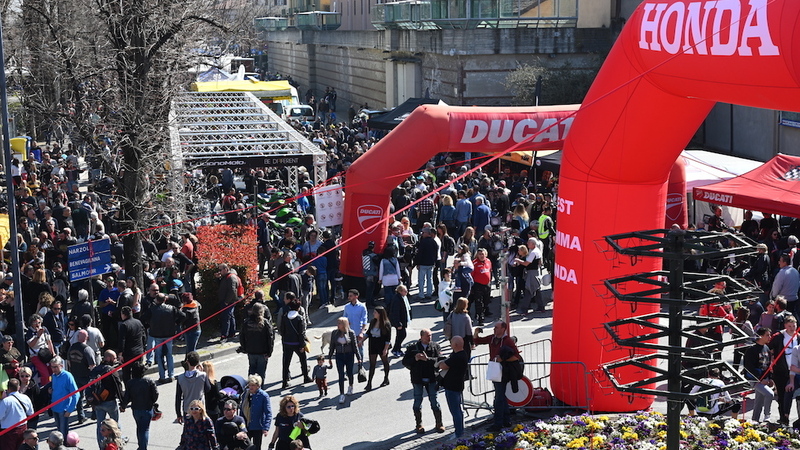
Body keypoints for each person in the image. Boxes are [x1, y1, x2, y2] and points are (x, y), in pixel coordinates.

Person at [473, 321, 520, 431]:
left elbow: (516, 356)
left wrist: (502, 359)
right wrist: (476, 332)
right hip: (495, 370)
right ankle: (506, 420)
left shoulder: (507, 340)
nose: (494, 329)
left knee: (499, 398)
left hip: (503, 372)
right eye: (494, 327)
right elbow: (477, 340)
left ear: (503, 329)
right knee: (501, 396)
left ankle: (498, 423)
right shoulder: (492, 338)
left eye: (496, 327)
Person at [402, 328, 445, 434]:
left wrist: (427, 359)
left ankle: (439, 423)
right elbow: (405, 362)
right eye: (427, 336)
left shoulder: (435, 346)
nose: (429, 338)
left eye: (430, 335)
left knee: (434, 401)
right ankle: (419, 424)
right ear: (421, 337)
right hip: (418, 378)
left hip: (432, 377)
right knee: (417, 401)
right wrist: (415, 359)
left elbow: (440, 360)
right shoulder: (412, 348)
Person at [90, 350, 125, 449]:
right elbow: (118, 387)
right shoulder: (111, 370)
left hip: (98, 402)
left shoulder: (95, 370)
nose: (115, 360)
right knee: (115, 424)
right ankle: (118, 443)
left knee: (100, 427)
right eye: (114, 358)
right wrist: (122, 403)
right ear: (108, 358)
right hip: (110, 402)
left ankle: (102, 446)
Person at [120, 362, 158, 450]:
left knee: (139, 427)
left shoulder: (130, 383)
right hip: (147, 408)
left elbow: (127, 397)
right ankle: (143, 447)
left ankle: (140, 446)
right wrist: (151, 401)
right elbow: (155, 394)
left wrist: (123, 406)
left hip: (136, 409)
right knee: (145, 429)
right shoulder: (149, 381)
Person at [437, 336, 469, 440]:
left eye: (451, 343)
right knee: (458, 410)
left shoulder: (457, 357)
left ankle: (459, 433)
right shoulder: (462, 354)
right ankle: (460, 430)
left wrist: (441, 362)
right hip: (458, 385)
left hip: (452, 386)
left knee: (455, 410)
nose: (450, 344)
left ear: (455, 345)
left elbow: (443, 366)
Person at [327, 317, 362, 404]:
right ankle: (341, 394)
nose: (338, 325)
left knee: (349, 372)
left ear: (344, 324)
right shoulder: (335, 333)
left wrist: (359, 358)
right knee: (341, 375)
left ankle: (350, 386)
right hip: (339, 356)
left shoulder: (351, 333)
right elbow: (332, 346)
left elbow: (355, 346)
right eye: (337, 323)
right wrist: (330, 357)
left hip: (349, 355)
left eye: (339, 323)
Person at [743, 327, 774, 423]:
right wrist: (760, 378)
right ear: (760, 336)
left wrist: (770, 378)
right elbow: (749, 367)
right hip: (754, 379)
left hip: (764, 378)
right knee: (770, 394)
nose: (770, 337)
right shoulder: (751, 350)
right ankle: (767, 415)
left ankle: (754, 420)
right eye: (767, 335)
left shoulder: (766, 348)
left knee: (759, 400)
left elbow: (768, 365)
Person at [279, 298, 310, 389]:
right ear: (298, 308)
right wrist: (302, 345)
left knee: (286, 363)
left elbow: (282, 330)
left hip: (287, 342)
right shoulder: (299, 318)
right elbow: (301, 333)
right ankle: (305, 377)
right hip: (297, 343)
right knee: (303, 360)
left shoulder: (285, 317)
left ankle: (284, 382)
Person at [240, 302, 274, 385]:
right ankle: (259, 390)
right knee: (261, 373)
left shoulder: (247, 322)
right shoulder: (265, 323)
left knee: (251, 370)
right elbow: (270, 338)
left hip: (251, 351)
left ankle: (250, 389)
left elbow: (242, 336)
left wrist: (244, 348)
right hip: (263, 352)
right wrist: (269, 352)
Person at [67, 329, 96, 424]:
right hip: (86, 376)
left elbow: (69, 362)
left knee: (78, 397)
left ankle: (81, 416)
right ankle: (94, 413)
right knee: (91, 394)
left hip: (75, 375)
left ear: (78, 337)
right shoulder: (87, 349)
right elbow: (92, 365)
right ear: (87, 338)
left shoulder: (71, 348)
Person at [49, 356, 80, 438]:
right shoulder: (54, 376)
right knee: (58, 434)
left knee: (63, 434)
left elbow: (76, 394)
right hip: (55, 407)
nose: (53, 369)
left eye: (55, 367)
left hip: (64, 409)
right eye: (52, 367)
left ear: (61, 366)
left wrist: (70, 410)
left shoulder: (67, 376)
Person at [239, 375, 272, 449]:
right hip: (247, 426)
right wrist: (240, 425)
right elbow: (242, 410)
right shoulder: (246, 394)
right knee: (246, 447)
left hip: (258, 426)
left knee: (256, 447)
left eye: (253, 385)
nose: (250, 387)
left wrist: (266, 428)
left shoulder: (263, 396)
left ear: (258, 386)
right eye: (249, 385)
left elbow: (268, 413)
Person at [0, 378, 34, 450]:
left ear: (8, 388)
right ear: (18, 387)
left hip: (8, 431)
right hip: (23, 428)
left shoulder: (5, 401)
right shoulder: (25, 397)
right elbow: (31, 413)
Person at [176, 351, 209, 422]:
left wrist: (178, 414)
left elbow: (178, 397)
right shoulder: (203, 375)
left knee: (189, 430)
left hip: (187, 409)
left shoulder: (180, 378)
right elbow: (208, 389)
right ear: (198, 362)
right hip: (200, 408)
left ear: (187, 362)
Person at [365, 306, 392, 391]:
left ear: (380, 314)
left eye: (375, 312)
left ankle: (386, 378)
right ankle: (369, 383)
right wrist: (361, 341)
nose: (373, 314)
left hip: (382, 345)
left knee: (385, 362)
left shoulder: (386, 324)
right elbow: (368, 332)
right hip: (373, 345)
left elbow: (388, 338)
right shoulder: (373, 322)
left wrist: (385, 349)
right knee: (372, 364)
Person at [116, 306, 146, 382]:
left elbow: (122, 340)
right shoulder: (138, 322)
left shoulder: (124, 325)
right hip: (139, 351)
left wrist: (120, 354)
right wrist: (143, 348)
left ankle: (129, 390)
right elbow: (143, 336)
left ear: (123, 314)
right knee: (138, 372)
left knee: (127, 374)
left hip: (128, 353)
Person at [25, 314, 54, 385]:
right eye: (35, 323)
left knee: (53, 370)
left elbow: (49, 341)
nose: (37, 325)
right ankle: (46, 388)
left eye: (39, 323)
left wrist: (53, 353)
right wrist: (38, 336)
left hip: (46, 353)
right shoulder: (30, 332)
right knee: (45, 374)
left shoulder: (44, 329)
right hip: (36, 355)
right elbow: (31, 344)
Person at [342, 289, 368, 362]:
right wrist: (346, 322)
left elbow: (364, 320)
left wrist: (362, 332)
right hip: (349, 332)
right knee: (349, 350)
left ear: (356, 296)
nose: (349, 297)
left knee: (360, 349)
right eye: (349, 296)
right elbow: (344, 317)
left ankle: (360, 364)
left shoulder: (362, 307)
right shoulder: (347, 307)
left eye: (351, 296)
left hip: (358, 332)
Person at [217, 264, 242, 341]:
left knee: (226, 317)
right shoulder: (225, 277)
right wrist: (218, 278)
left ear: (226, 269)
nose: (219, 272)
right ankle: (232, 333)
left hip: (229, 301)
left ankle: (225, 335)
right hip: (226, 301)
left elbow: (232, 291)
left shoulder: (231, 277)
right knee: (230, 316)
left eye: (220, 270)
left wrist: (227, 302)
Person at [389, 284, 412, 358]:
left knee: (401, 335)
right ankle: (395, 349)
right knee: (401, 335)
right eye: (405, 291)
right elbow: (395, 312)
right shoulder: (397, 299)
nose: (407, 292)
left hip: (402, 321)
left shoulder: (403, 297)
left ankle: (398, 349)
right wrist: (398, 323)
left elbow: (407, 308)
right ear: (400, 291)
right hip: (399, 322)